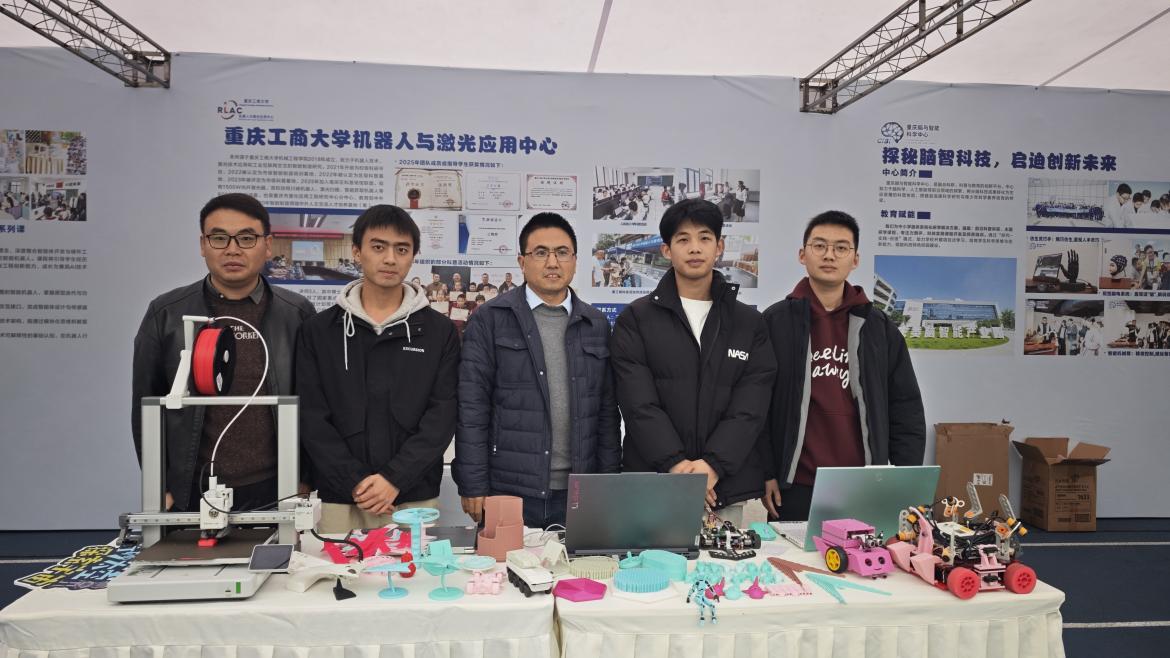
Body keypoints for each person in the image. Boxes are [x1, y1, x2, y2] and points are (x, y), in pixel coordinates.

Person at [132, 193, 316, 513]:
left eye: (246, 238)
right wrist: (161, 487)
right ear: (203, 245)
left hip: (278, 487)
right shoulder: (167, 314)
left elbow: (316, 404)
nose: (232, 249)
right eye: (219, 238)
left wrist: (306, 479)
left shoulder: (297, 313)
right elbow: (145, 405)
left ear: (267, 245)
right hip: (192, 489)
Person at [611, 199, 776, 526]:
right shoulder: (636, 319)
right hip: (655, 484)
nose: (695, 248)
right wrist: (676, 465)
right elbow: (638, 404)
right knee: (652, 560)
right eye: (683, 239)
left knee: (725, 561)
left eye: (704, 238)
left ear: (719, 247)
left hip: (723, 489)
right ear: (666, 250)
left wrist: (713, 466)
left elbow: (751, 406)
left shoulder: (749, 323)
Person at [296, 205, 459, 533]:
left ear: (413, 256)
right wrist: (355, 482)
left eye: (402, 249)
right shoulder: (319, 331)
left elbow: (442, 416)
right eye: (378, 247)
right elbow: (312, 417)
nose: (390, 259)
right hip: (340, 496)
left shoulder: (439, 332)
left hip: (412, 496)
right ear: (357, 252)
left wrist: (394, 479)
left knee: (414, 568)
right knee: (337, 567)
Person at [454, 213, 621, 529]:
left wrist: (609, 483)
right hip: (509, 489)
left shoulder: (595, 324)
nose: (552, 262)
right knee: (505, 563)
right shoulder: (490, 319)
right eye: (541, 252)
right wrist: (473, 482)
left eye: (562, 252)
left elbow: (606, 413)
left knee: (582, 564)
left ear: (575, 260)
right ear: (522, 261)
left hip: (579, 491)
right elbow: (472, 407)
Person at [759, 210, 925, 521]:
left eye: (841, 248)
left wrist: (904, 479)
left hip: (864, 483)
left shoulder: (879, 328)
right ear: (802, 255)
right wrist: (766, 471)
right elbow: (758, 406)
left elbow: (906, 408)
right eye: (819, 246)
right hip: (793, 484)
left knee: (864, 554)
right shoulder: (775, 322)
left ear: (855, 259)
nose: (829, 255)